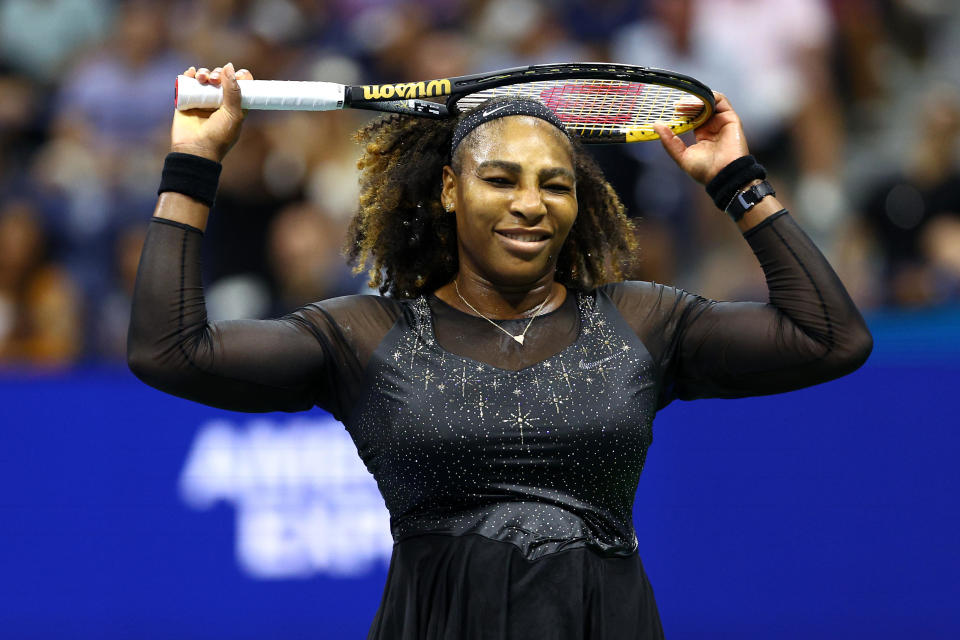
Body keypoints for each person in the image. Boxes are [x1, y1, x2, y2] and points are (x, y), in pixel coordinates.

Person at [128, 63, 873, 639]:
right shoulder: (363, 335)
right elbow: (169, 351)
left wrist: (735, 179)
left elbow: (831, 338)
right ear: (451, 190)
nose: (530, 203)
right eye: (500, 178)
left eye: (556, 185)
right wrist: (194, 162)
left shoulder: (644, 320)